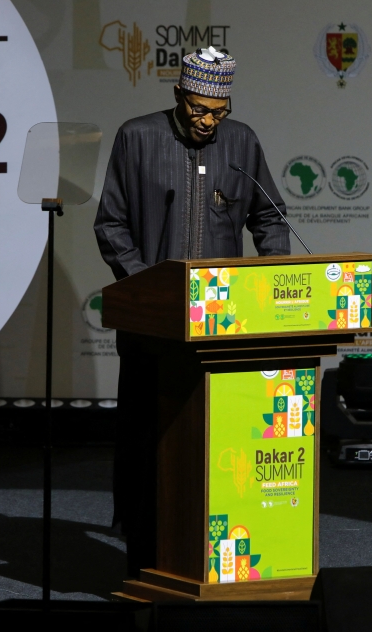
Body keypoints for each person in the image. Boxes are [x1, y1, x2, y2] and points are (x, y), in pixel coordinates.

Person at [93, 46, 290, 577]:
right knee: (147, 446)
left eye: (219, 111)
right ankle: (143, 563)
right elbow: (111, 224)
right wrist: (149, 290)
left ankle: (215, 564)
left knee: (217, 450)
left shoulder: (241, 141)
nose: (210, 121)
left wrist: (273, 276)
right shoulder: (137, 137)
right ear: (179, 95)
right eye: (200, 109)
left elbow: (270, 219)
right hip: (152, 331)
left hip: (224, 331)